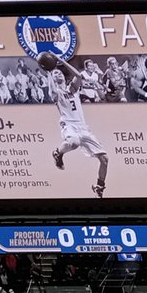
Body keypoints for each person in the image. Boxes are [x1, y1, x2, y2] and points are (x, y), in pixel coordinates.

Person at [46, 58, 109, 197]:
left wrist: (61, 61)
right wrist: (49, 71)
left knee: (105, 159)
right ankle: (58, 153)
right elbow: (51, 89)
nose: (58, 75)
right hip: (69, 124)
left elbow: (78, 76)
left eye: (59, 73)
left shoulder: (73, 89)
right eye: (55, 74)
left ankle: (99, 186)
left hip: (82, 127)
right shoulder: (57, 93)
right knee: (73, 143)